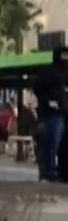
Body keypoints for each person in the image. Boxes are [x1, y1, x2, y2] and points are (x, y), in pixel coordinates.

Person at [33, 47, 67, 182]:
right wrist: (48, 101)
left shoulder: (64, 73)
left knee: (58, 144)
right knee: (50, 144)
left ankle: (57, 172)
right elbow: (37, 87)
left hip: (61, 114)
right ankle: (48, 172)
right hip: (52, 114)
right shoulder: (50, 72)